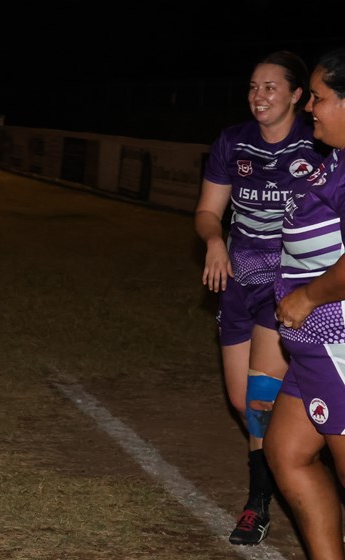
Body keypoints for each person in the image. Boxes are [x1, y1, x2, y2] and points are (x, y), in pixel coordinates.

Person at [193, 50, 325, 546]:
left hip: (285, 286)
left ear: (297, 95)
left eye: (271, 87)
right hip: (237, 283)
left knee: (260, 403)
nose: (259, 95)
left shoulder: (316, 146)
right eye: (253, 86)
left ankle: (259, 504)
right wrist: (212, 242)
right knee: (241, 401)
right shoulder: (232, 141)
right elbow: (209, 211)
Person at [266, 46, 345, 559]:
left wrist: (308, 296)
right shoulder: (336, 158)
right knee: (288, 451)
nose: (310, 108)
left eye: (318, 98)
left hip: (336, 335)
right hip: (313, 338)